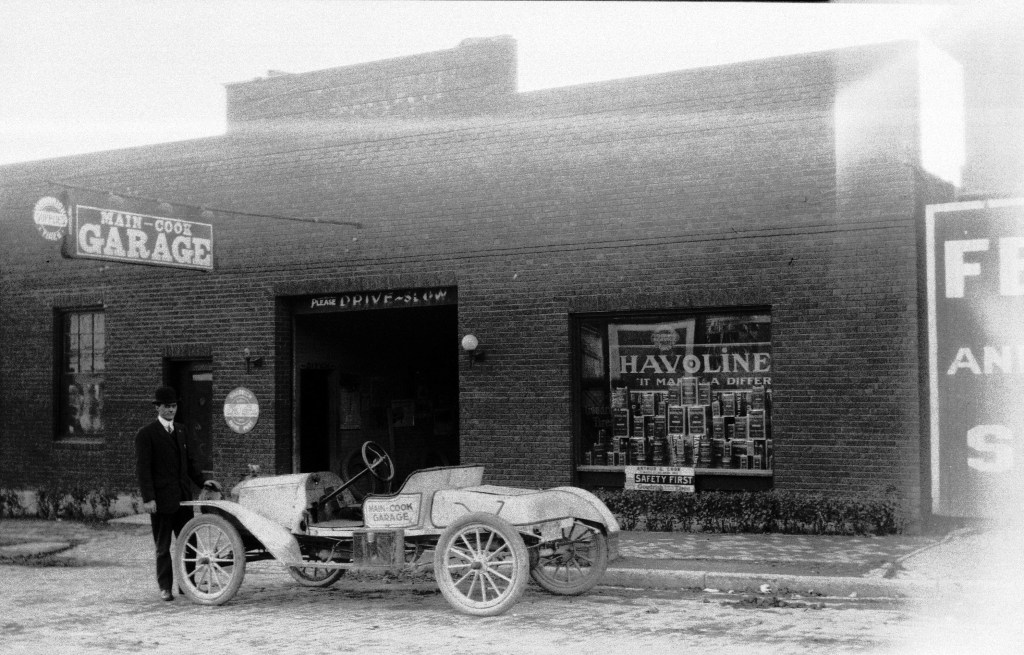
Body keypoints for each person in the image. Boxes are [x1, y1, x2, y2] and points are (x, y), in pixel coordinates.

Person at [135, 385, 219, 601]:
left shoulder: (182, 431)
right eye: (167, 407)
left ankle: (187, 585)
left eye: (173, 406)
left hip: (183, 499)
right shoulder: (146, 434)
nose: (171, 410)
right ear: (158, 407)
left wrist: (202, 481)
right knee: (162, 547)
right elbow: (143, 469)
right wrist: (149, 498)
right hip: (161, 501)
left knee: (189, 543)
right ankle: (165, 587)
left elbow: (191, 463)